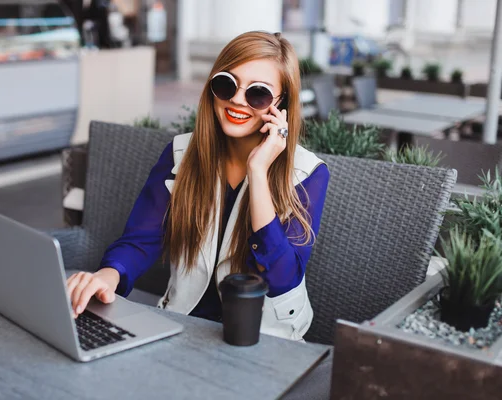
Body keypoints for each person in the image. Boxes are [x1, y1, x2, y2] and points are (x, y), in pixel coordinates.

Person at [66, 31, 330, 341]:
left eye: (258, 93)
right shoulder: (181, 154)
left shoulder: (307, 172)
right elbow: (141, 239)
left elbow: (282, 277)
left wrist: (258, 173)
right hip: (183, 326)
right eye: (226, 83)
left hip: (263, 337)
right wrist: (106, 277)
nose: (236, 99)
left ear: (281, 104)